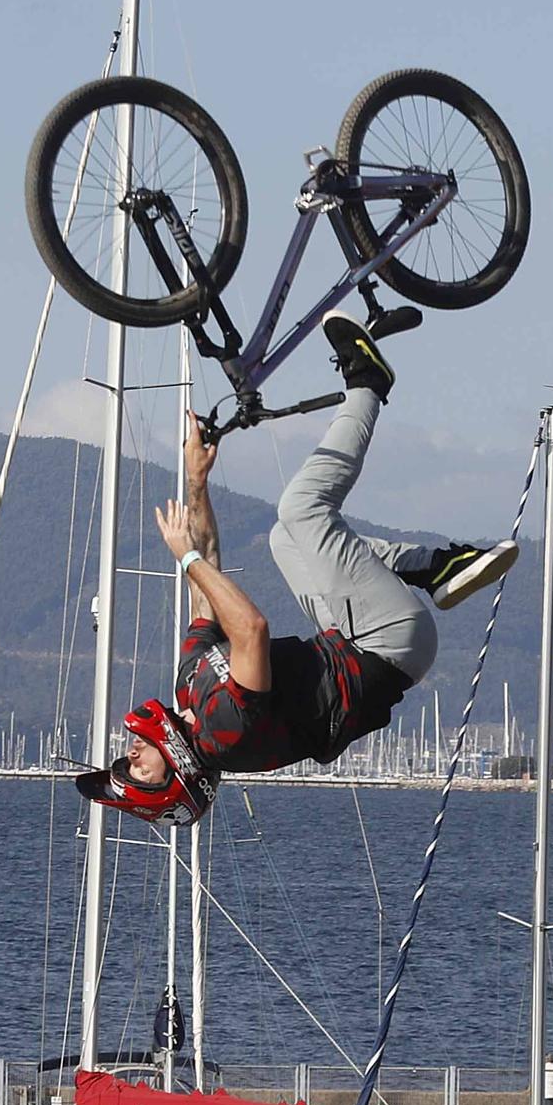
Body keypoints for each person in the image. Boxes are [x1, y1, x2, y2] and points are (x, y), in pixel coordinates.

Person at [77, 317, 518, 828]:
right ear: (176, 774)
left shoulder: (190, 691)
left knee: (284, 538)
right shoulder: (225, 734)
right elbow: (251, 629)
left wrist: (197, 482)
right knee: (303, 508)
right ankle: (368, 385)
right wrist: (185, 557)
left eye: (125, 764)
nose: (131, 757)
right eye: (140, 773)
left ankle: (438, 569)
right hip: (385, 644)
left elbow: (207, 590)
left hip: (351, 636)